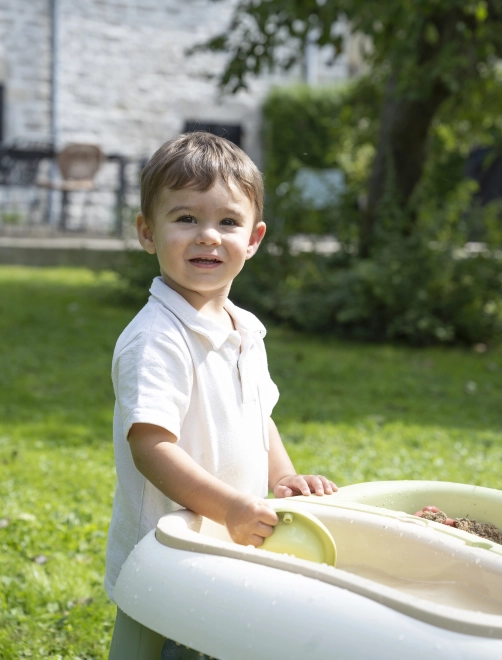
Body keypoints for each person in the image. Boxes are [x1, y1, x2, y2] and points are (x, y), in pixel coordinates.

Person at [106, 132, 337, 660]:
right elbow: (151, 447)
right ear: (147, 232)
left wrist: (283, 477)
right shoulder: (156, 337)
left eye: (227, 222)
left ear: (253, 239)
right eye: (185, 218)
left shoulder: (244, 329)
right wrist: (230, 506)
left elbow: (262, 417)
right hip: (168, 553)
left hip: (225, 544)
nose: (208, 236)